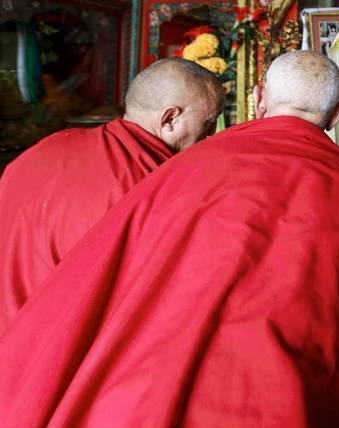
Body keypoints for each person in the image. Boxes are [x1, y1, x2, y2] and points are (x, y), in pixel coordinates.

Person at [0, 50, 339, 428]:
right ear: (336, 116)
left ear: (259, 99)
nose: (203, 136)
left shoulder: (187, 169)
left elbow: (105, 285)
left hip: (147, 398)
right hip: (278, 425)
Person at [0, 58, 225, 333]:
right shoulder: (155, 185)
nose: (211, 135)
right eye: (210, 122)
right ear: (169, 119)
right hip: (54, 342)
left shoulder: (47, 146)